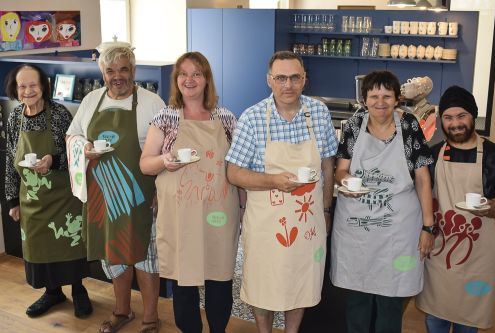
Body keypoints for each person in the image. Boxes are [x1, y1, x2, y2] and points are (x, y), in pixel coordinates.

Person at [226, 50, 337, 332]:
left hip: (308, 220)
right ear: (269, 80)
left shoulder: (319, 113)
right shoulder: (252, 118)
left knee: (300, 280)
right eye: (281, 78)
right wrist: (274, 181)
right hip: (266, 223)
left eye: (295, 78)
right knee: (264, 282)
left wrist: (326, 210)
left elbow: (327, 166)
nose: (288, 85)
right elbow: (234, 172)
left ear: (304, 80)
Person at [140, 51, 244, 333]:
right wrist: (165, 161)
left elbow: (237, 167)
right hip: (180, 216)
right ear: (176, 80)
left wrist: (245, 210)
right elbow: (146, 164)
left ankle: (218, 329)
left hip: (219, 213)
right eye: (183, 74)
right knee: (183, 280)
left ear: (207, 79)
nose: (190, 79)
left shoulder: (225, 117)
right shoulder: (165, 117)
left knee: (219, 277)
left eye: (197, 73)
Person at [66, 45, 165, 333]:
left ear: (134, 71)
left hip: (140, 195)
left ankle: (150, 317)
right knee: (114, 255)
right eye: (110, 71)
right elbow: (72, 134)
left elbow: (168, 149)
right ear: (103, 74)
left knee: (146, 256)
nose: (117, 76)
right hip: (103, 197)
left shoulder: (151, 102)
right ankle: (122, 311)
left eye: (123, 69)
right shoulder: (91, 100)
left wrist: (160, 190)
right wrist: (83, 147)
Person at [331, 70, 435, 333]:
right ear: (365, 99)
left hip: (397, 229)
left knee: (391, 297)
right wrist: (345, 182)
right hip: (358, 227)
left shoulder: (410, 125)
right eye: (374, 95)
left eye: (387, 96)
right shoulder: (354, 126)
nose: (380, 102)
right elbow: (340, 170)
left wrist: (428, 227)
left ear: (396, 99)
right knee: (358, 296)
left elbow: (423, 178)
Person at [4, 64, 92, 318]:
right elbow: (11, 161)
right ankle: (52, 292)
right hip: (31, 199)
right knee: (39, 247)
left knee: (70, 245)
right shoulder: (15, 117)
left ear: (43, 86)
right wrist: (12, 201)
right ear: (16, 89)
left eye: (33, 85)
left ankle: (78, 290)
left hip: (63, 198)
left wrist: (53, 161)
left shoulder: (59, 114)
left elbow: (75, 155)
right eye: (23, 86)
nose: (28, 90)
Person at [416, 85, 495, 333]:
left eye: (461, 116)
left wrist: (490, 207)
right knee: (435, 319)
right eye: (448, 118)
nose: (455, 124)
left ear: (473, 116)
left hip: (476, 255)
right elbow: (424, 197)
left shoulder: (493, 156)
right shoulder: (433, 155)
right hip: (440, 251)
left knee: (468, 322)